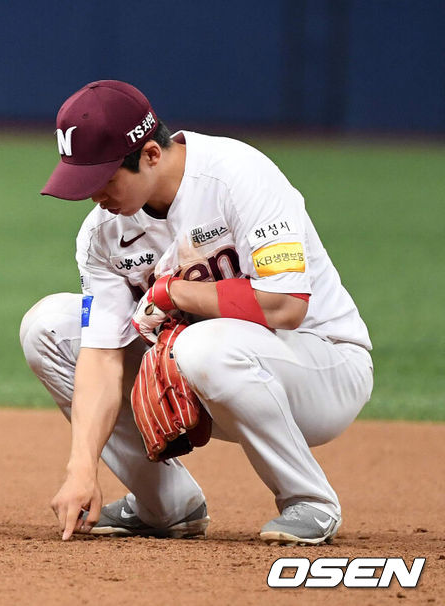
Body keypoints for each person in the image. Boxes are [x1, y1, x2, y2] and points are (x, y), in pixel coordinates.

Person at [21, 80, 373, 545]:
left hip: (321, 367)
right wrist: (81, 467)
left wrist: (180, 295)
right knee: (47, 327)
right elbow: (102, 356)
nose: (94, 196)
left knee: (200, 344)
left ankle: (308, 500)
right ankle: (165, 505)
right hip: (213, 370)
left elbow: (287, 305)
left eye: (104, 178)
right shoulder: (102, 233)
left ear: (150, 154)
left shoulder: (238, 176)